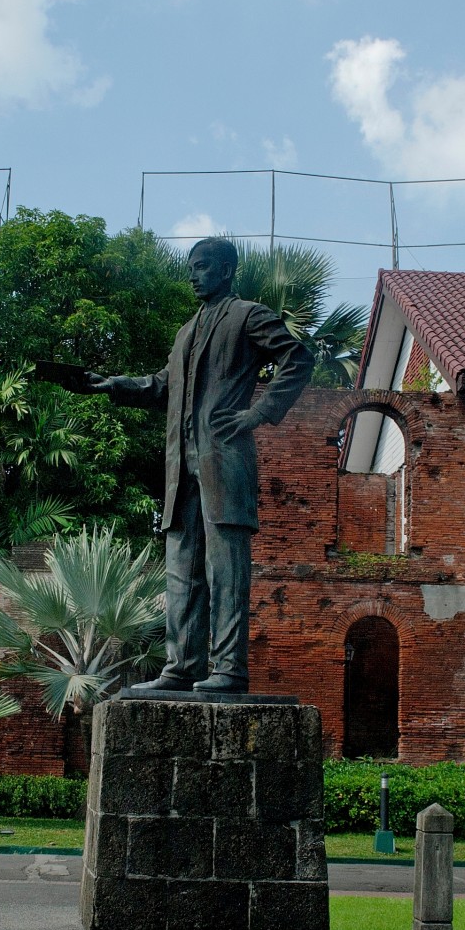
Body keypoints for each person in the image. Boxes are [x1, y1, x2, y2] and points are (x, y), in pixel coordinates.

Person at [80, 236, 312, 693]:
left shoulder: (248, 314)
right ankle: (182, 667)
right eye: (192, 267)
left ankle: (228, 669)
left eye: (202, 267)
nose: (193, 275)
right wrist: (115, 385)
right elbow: (164, 385)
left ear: (226, 270)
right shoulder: (186, 330)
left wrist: (258, 414)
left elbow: (297, 358)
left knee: (226, 571)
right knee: (181, 569)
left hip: (224, 462)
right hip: (180, 469)